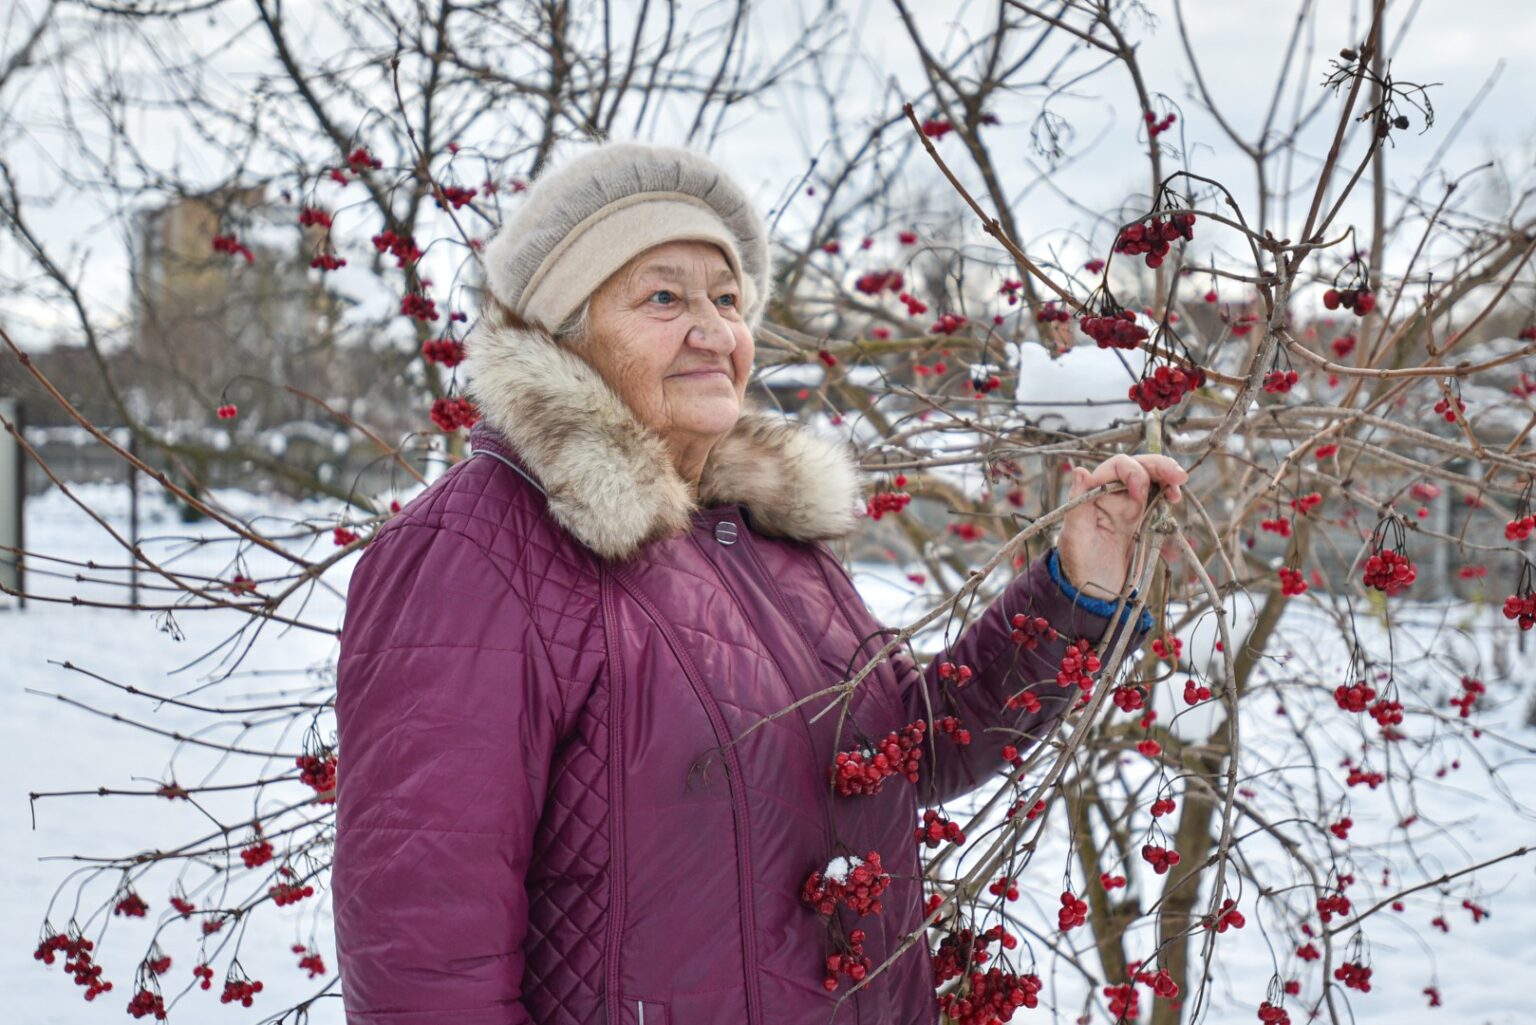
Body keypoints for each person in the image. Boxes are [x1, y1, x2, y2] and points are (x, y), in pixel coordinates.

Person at [332, 141, 1188, 1025]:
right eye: (664, 296)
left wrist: (1075, 584)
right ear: (563, 339)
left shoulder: (767, 539)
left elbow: (904, 749)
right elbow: (424, 968)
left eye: (728, 298)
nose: (715, 330)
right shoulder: (478, 551)